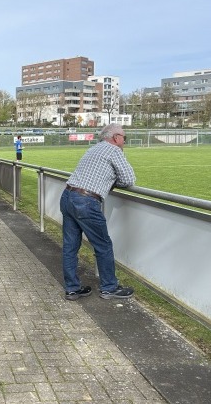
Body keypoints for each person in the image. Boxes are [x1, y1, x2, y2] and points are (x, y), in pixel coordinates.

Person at [60, 123, 136, 301]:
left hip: (68, 196)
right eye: (124, 138)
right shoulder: (114, 150)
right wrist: (113, 181)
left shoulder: (94, 149)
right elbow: (129, 179)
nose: (124, 141)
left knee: (70, 246)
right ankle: (109, 287)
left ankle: (72, 288)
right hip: (86, 201)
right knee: (103, 246)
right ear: (116, 138)